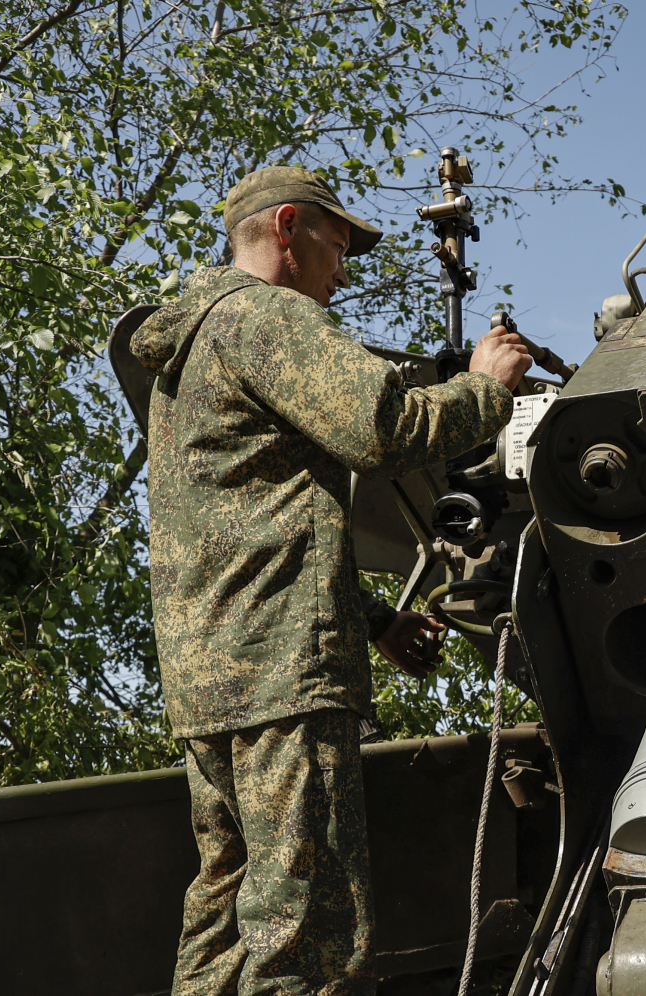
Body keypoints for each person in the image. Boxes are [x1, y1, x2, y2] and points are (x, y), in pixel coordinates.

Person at [131, 165, 532, 996]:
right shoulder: (266, 318)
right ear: (287, 228)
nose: (340, 274)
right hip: (283, 679)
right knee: (308, 931)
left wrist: (373, 619)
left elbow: (242, 533)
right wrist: (486, 390)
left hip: (211, 681)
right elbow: (382, 427)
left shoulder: (191, 348)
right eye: (335, 245)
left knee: (224, 919)